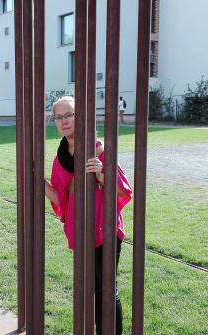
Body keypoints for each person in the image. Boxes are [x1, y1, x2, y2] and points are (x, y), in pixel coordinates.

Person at [44, 96, 132, 335]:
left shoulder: (98, 148)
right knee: (91, 289)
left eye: (69, 115)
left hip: (105, 229)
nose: (64, 121)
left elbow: (124, 190)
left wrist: (102, 175)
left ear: (79, 116)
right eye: (58, 117)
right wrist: (37, 181)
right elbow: (62, 200)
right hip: (82, 229)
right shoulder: (60, 158)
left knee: (106, 288)